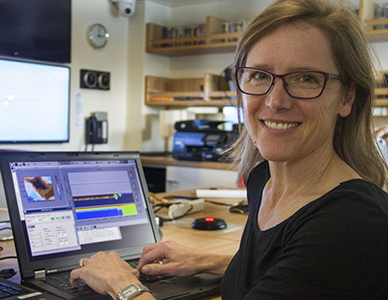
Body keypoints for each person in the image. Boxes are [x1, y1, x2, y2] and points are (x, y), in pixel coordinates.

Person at [69, 0, 388, 298]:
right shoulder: (263, 181)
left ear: (347, 97)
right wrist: (207, 260)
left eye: (306, 78)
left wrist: (122, 284)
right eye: (260, 75)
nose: (275, 101)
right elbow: (284, 270)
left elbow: (321, 261)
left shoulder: (353, 224)